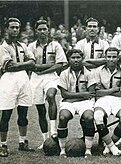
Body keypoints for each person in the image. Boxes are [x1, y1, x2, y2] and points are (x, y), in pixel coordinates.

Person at [27, 20, 68, 149]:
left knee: (51, 96)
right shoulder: (31, 46)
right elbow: (31, 65)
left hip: (51, 77)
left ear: (48, 31)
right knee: (40, 109)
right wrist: (47, 66)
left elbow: (60, 64)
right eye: (40, 29)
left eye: (45, 29)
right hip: (35, 78)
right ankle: (45, 141)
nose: (42, 32)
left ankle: (54, 132)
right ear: (36, 31)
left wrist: (43, 68)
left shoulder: (56, 45)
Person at [0, 18, 36, 157]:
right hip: (9, 80)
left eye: (17, 27)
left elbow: (33, 61)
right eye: (12, 27)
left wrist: (21, 65)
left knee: (23, 113)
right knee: (6, 115)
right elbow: (9, 66)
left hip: (23, 79)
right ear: (6, 29)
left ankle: (22, 142)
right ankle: (3, 145)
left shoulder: (22, 45)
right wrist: (26, 64)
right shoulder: (3, 47)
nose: (15, 30)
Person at [57, 49, 96, 157]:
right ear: (69, 60)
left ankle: (88, 150)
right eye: (73, 58)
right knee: (62, 117)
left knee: (89, 117)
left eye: (78, 57)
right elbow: (64, 94)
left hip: (85, 103)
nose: (76, 60)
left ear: (82, 59)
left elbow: (91, 93)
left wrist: (73, 96)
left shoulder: (89, 73)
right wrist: (82, 95)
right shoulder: (64, 73)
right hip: (69, 103)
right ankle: (63, 149)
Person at [94, 47, 121, 156]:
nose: (111, 59)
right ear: (105, 57)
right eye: (109, 57)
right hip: (103, 100)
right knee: (98, 116)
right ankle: (112, 147)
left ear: (118, 58)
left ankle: (109, 144)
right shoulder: (98, 70)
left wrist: (106, 91)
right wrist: (113, 90)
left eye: (114, 57)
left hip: (119, 100)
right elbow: (97, 92)